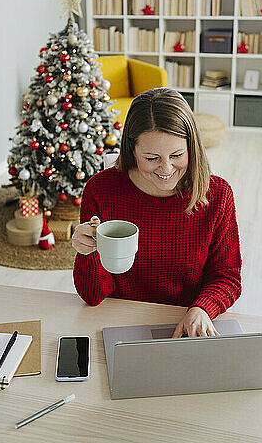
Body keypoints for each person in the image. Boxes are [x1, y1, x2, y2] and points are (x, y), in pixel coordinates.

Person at [72, 88, 242, 338]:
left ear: (191, 148)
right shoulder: (100, 190)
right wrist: (86, 253)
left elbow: (227, 276)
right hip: (120, 323)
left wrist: (201, 309)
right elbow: (93, 296)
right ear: (132, 149)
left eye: (177, 155)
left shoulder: (217, 194)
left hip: (186, 323)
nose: (166, 168)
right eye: (151, 157)